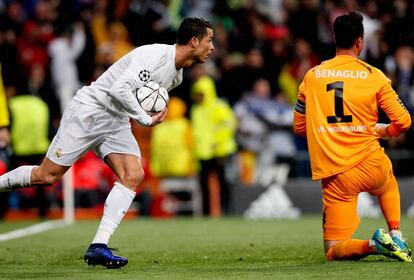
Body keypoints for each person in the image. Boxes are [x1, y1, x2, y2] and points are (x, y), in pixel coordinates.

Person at [0, 17, 214, 269]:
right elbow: (119, 89)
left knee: (133, 174)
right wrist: (144, 118)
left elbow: (133, 97)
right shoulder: (154, 56)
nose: (212, 48)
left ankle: (98, 246)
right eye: (209, 41)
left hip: (116, 120)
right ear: (194, 41)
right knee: (46, 176)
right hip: (90, 112)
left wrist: (139, 115)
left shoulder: (175, 77)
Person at [293, 11, 412, 262]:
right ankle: (395, 233)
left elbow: (300, 128)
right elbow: (403, 121)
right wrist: (383, 131)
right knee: (388, 182)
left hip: (337, 174)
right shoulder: (374, 75)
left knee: (334, 250)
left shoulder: (312, 77)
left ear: (334, 38)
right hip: (371, 161)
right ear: (360, 42)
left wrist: (328, 134)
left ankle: (374, 244)